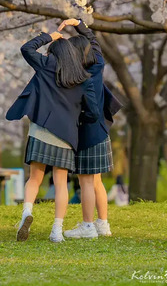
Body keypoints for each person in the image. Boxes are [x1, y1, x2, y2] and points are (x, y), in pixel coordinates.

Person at [6, 29, 100, 243]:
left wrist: (50, 36)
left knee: (35, 179)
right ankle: (56, 230)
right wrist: (77, 116)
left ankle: (26, 214)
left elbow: (26, 48)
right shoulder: (84, 79)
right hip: (66, 136)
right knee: (60, 184)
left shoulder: (46, 65)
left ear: (54, 53)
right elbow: (94, 113)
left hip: (40, 130)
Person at [57, 18, 119, 240]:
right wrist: (80, 24)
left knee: (85, 182)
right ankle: (103, 224)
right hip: (102, 131)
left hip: (88, 133)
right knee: (96, 181)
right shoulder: (98, 66)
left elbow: (89, 110)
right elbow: (95, 43)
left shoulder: (80, 78)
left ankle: (88, 226)